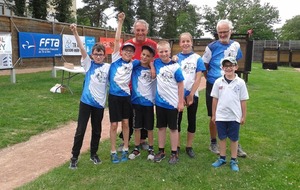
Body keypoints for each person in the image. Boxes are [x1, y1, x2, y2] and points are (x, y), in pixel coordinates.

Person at [202, 19, 247, 157]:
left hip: (231, 85)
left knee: (234, 114)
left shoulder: (236, 45)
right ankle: (213, 141)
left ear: (230, 32)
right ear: (217, 33)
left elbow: (235, 61)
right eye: (220, 32)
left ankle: (235, 143)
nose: (222, 34)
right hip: (214, 85)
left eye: (225, 32)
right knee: (213, 115)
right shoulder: (211, 47)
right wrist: (212, 78)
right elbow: (204, 65)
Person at [69, 23, 110, 169]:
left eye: (101, 54)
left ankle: (94, 154)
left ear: (105, 55)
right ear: (92, 55)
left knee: (97, 130)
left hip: (99, 105)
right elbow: (81, 48)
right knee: (80, 130)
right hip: (86, 103)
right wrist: (75, 32)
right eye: (96, 54)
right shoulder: (88, 64)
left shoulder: (107, 67)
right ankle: (74, 156)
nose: (98, 56)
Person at [118, 18, 158, 151]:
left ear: (147, 31)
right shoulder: (128, 43)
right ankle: (126, 140)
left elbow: (156, 60)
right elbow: (123, 60)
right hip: (128, 87)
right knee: (129, 115)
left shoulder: (152, 44)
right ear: (134, 31)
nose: (140, 32)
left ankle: (143, 140)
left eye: (142, 30)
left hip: (146, 88)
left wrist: (152, 66)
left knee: (145, 113)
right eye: (138, 30)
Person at [108, 12, 137, 164]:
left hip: (126, 97)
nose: (127, 52)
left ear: (133, 54)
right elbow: (117, 39)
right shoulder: (115, 58)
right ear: (121, 51)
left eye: (130, 51)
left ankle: (125, 148)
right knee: (114, 125)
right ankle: (113, 151)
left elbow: (149, 61)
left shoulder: (133, 63)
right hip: (113, 96)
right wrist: (120, 22)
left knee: (126, 123)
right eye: (126, 50)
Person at [211, 56, 249, 171]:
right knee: (222, 137)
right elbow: (215, 99)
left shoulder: (240, 83)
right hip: (221, 116)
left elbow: (243, 100)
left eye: (231, 65)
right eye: (226, 66)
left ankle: (233, 160)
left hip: (234, 116)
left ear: (236, 67)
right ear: (222, 68)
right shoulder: (218, 82)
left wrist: (243, 116)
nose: (228, 68)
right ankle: (222, 158)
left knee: (234, 139)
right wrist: (214, 114)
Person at [153, 40, 184, 164]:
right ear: (157, 52)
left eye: (166, 51)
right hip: (160, 103)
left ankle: (174, 152)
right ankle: (161, 151)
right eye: (161, 51)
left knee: (173, 128)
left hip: (172, 103)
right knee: (161, 127)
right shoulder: (156, 62)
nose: (164, 54)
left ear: (170, 52)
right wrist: (151, 68)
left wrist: (180, 102)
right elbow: (151, 61)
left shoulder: (176, 67)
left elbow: (181, 85)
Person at [176, 32, 206, 158]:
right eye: (183, 41)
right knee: (177, 121)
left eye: (188, 41)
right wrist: (181, 96)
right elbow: (175, 78)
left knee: (191, 120)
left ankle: (189, 146)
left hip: (193, 95)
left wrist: (191, 94)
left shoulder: (197, 58)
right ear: (179, 44)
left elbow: (198, 78)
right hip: (179, 95)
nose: (185, 44)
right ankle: (176, 146)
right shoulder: (175, 59)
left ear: (191, 42)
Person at [128, 45, 157, 160]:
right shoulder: (135, 66)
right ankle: (136, 148)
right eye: (143, 54)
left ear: (151, 58)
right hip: (136, 102)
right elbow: (128, 63)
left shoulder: (154, 68)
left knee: (149, 127)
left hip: (149, 103)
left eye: (148, 56)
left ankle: (151, 148)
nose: (144, 57)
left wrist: (152, 66)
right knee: (137, 127)